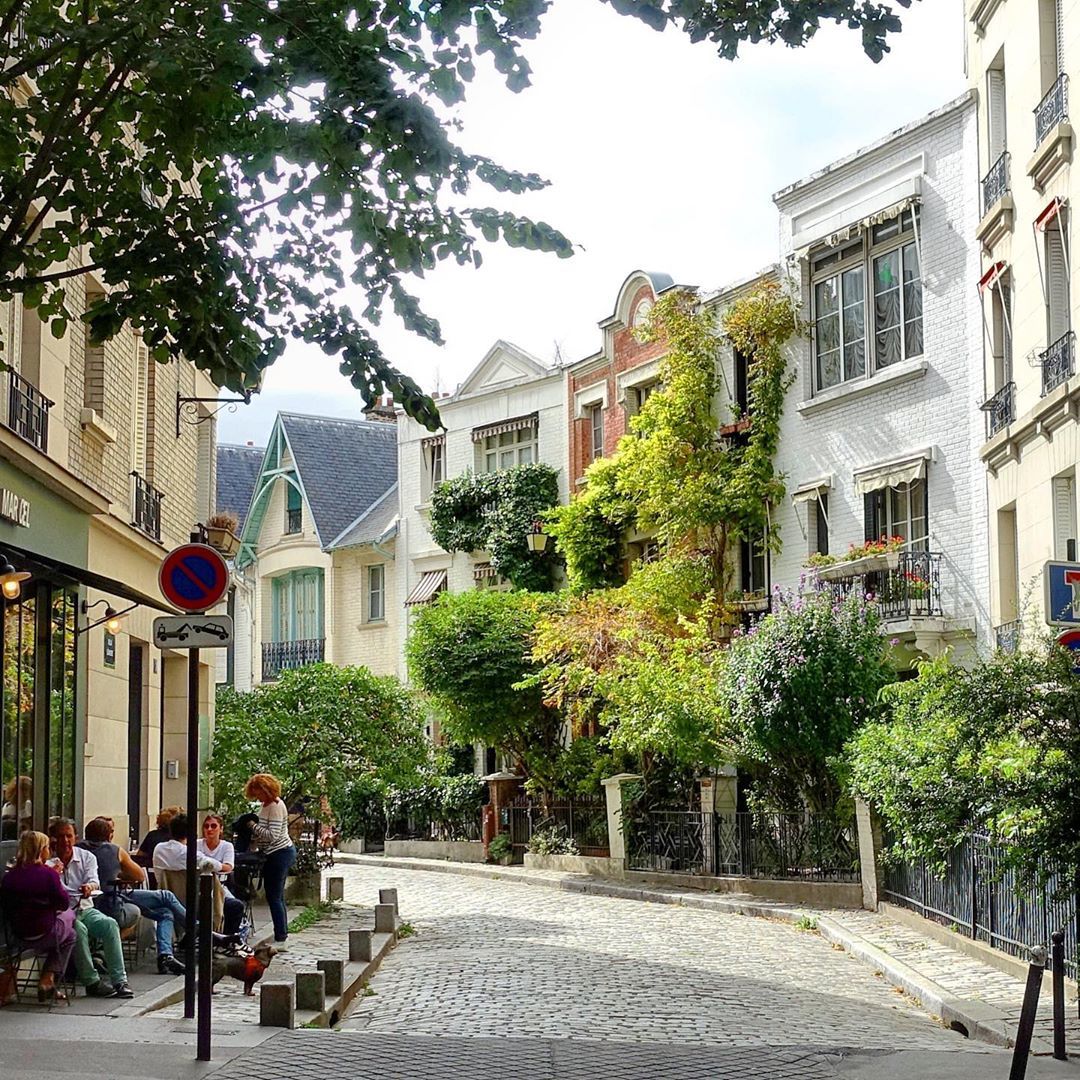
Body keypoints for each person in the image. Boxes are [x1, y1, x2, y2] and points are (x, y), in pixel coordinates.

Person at [81, 817, 187, 975]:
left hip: (93, 901)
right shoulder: (115, 850)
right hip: (111, 901)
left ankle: (166, 955)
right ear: (109, 835)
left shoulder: (77, 849)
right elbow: (139, 875)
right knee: (165, 897)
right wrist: (119, 873)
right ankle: (196, 928)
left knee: (166, 912)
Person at [47, 818, 133, 998]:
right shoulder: (48, 862)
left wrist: (90, 887)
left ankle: (120, 981)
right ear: (53, 838)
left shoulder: (86, 857)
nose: (65, 841)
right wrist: (53, 875)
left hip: (85, 908)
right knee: (78, 929)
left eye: (69, 836)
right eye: (61, 836)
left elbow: (94, 881)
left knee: (109, 924)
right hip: (63, 913)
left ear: (76, 838)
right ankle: (91, 981)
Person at [0, 830, 75, 1003]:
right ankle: (47, 978)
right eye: (47, 847)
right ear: (42, 850)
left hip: (18, 936)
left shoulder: (10, 877)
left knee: (65, 928)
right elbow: (63, 903)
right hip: (45, 934)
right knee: (71, 930)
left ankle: (47, 979)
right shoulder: (48, 875)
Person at [244, 773, 296, 944]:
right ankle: (281, 932)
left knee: (274, 896)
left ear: (266, 790)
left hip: (279, 853)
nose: (257, 797)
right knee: (277, 895)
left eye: (258, 793)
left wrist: (252, 826)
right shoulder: (267, 805)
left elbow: (272, 835)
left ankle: (281, 935)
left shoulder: (274, 806)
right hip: (275, 853)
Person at [197, 814, 245, 937]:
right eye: (206, 826)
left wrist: (210, 864)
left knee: (236, 906)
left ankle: (227, 938)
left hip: (220, 886)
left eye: (214, 826)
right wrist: (217, 866)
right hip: (198, 887)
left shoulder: (226, 846)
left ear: (221, 829)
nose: (209, 829)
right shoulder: (197, 844)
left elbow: (228, 867)